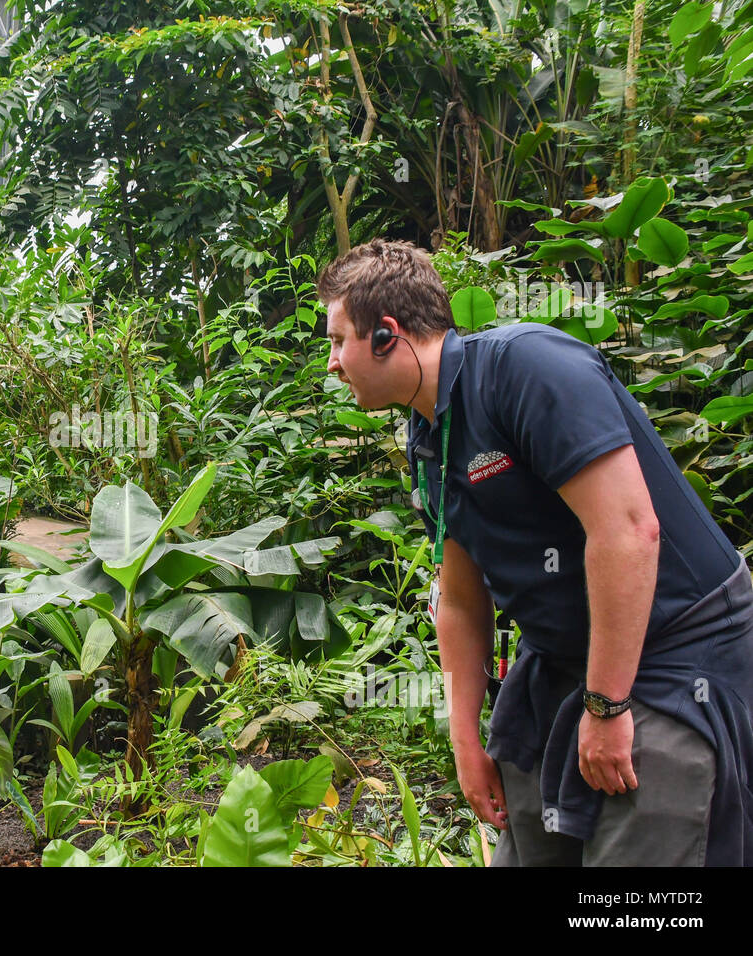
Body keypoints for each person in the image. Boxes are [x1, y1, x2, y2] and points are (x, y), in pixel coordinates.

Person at [317, 239, 752, 867]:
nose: (332, 363)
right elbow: (463, 600)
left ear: (386, 336)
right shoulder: (427, 434)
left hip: (674, 649)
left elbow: (629, 531)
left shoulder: (526, 368)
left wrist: (607, 707)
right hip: (559, 658)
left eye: (338, 341)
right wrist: (466, 740)